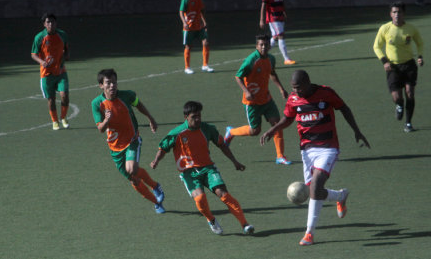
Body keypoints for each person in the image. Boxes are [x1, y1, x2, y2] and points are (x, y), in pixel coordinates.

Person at [260, 70, 370, 246]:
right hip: (307, 151)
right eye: (293, 88)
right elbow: (288, 118)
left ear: (307, 83)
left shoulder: (326, 93)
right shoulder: (293, 99)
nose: (296, 91)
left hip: (328, 148)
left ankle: (309, 233)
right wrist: (272, 130)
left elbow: (344, 108)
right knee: (315, 192)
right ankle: (340, 196)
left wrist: (357, 130)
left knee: (316, 186)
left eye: (298, 88)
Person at [150, 101, 254, 235]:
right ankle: (211, 219)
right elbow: (163, 148)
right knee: (200, 198)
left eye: (199, 116)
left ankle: (245, 224)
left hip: (208, 169)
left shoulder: (207, 129)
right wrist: (156, 161)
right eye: (194, 116)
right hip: (189, 173)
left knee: (224, 194)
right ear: (186, 117)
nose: (198, 119)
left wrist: (235, 162)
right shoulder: (177, 133)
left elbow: (221, 144)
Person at [91, 69, 165, 214]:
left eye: (114, 82)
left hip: (132, 140)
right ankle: (156, 202)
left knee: (131, 169)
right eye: (108, 83)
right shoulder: (97, 104)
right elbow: (100, 128)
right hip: (115, 148)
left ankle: (155, 186)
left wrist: (151, 118)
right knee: (133, 179)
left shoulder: (128, 95)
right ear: (101, 85)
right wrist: (106, 120)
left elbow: (139, 105)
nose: (112, 85)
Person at [224, 34, 291, 165]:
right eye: (261, 45)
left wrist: (281, 88)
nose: (264, 47)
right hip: (252, 102)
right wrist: (246, 91)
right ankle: (231, 132)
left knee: (277, 124)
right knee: (255, 131)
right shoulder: (251, 60)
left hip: (267, 99)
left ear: (269, 46)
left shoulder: (271, 59)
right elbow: (238, 77)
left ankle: (280, 156)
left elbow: (272, 73)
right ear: (256, 46)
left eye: (266, 44)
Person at [373, 1, 424, 132]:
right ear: (390, 14)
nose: (397, 15)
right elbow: (376, 47)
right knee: (397, 97)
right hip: (393, 67)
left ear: (404, 14)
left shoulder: (411, 29)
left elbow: (420, 43)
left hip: (409, 65)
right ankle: (399, 105)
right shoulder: (385, 28)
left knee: (410, 93)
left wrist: (420, 56)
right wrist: (384, 61)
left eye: (399, 12)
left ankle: (408, 123)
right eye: (394, 12)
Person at [31, 13, 71, 130]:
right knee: (51, 99)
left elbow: (67, 49)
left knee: (65, 95)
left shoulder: (62, 35)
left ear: (56, 23)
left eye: (52, 22)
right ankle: (55, 121)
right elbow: (33, 54)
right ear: (44, 24)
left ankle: (63, 117)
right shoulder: (39, 37)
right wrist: (42, 62)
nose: (51, 24)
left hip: (61, 72)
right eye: (48, 22)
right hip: (46, 74)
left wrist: (66, 57)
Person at [260, 0, 296, 65]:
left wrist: (284, 12)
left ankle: (261, 53)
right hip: (273, 17)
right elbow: (263, 5)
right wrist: (262, 20)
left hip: (280, 16)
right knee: (281, 35)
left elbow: (282, 1)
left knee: (275, 37)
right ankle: (286, 59)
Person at [179, 0, 213, 74]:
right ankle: (187, 67)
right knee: (188, 46)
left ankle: (205, 65)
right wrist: (184, 22)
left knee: (205, 42)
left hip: (199, 26)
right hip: (189, 27)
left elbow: (201, 11)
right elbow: (181, 11)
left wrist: (204, 22)